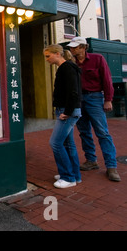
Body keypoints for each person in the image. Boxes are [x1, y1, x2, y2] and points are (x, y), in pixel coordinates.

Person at [68, 37, 121, 182]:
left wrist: (108, 99)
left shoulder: (97, 59)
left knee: (102, 133)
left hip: (95, 98)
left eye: (76, 47)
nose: (72, 49)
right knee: (84, 132)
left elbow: (107, 79)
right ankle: (91, 160)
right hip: (79, 100)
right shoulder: (72, 63)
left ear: (84, 47)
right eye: (72, 47)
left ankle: (111, 166)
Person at [44, 44, 82, 188]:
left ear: (58, 54)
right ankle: (74, 175)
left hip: (67, 112)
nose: (47, 59)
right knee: (68, 144)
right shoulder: (69, 68)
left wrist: (67, 112)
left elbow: (73, 91)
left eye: (48, 56)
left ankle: (68, 177)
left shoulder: (66, 68)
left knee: (55, 143)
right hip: (68, 110)